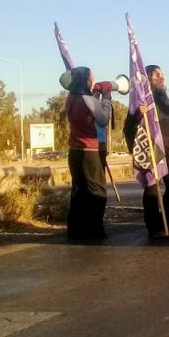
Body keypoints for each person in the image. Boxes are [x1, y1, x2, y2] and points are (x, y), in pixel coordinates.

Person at [124, 65, 169, 239]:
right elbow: (129, 128)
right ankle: (154, 226)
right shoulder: (141, 100)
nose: (162, 77)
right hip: (151, 149)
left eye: (163, 74)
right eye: (157, 74)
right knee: (152, 189)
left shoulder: (164, 97)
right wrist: (138, 114)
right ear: (148, 78)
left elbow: (168, 122)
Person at [61, 67, 112, 241]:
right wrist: (106, 97)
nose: (93, 79)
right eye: (91, 76)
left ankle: (75, 231)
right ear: (86, 79)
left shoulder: (71, 98)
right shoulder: (88, 99)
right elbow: (103, 118)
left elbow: (87, 111)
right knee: (97, 190)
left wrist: (95, 96)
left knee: (79, 191)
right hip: (90, 151)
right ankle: (95, 230)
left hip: (74, 151)